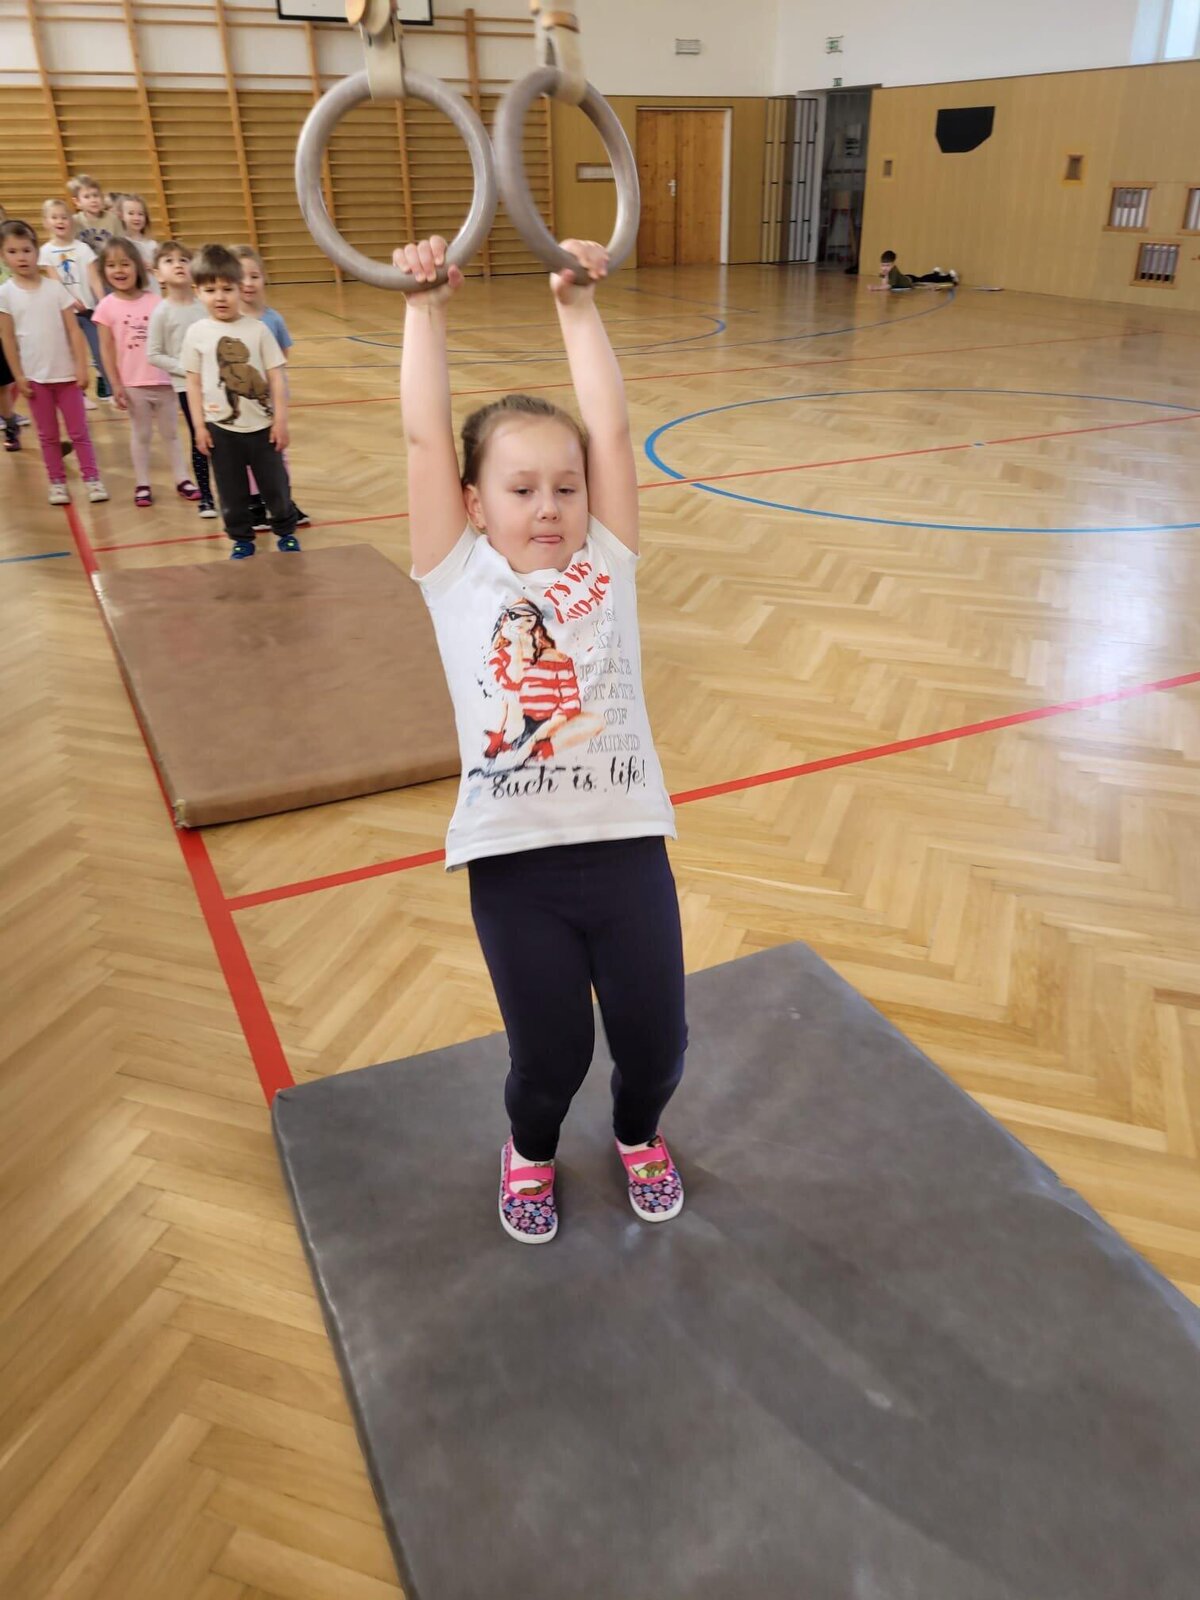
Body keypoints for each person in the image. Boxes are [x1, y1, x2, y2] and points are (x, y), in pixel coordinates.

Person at [398, 233, 687, 1245]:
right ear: (475, 505)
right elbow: (425, 441)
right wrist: (423, 309)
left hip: (627, 850)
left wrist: (577, 304)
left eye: (566, 487)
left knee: (657, 1045)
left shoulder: (608, 560)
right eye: (521, 490)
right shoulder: (457, 578)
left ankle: (638, 1133)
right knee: (551, 1055)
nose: (550, 507)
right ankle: (528, 1150)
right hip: (515, 865)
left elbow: (612, 428)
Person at [180, 242, 298, 558]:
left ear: (238, 287)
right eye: (210, 290)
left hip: (263, 429)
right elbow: (192, 383)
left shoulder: (258, 330)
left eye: (227, 289)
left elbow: (276, 377)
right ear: (197, 292)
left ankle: (286, 531)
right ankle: (242, 539)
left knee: (276, 487)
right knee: (231, 492)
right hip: (221, 430)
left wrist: (281, 421)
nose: (220, 297)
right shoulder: (196, 333)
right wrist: (199, 427)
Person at [0, 218, 107, 502]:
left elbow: (74, 331)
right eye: (12, 251)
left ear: (36, 252)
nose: (21, 257)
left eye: (26, 250)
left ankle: (92, 478)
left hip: (68, 377)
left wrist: (82, 367)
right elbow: (7, 338)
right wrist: (18, 375)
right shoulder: (5, 294)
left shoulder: (55, 288)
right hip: (36, 379)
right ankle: (56, 482)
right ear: (3, 256)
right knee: (47, 436)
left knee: (79, 432)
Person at [92, 237, 200, 508]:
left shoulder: (156, 302)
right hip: (133, 384)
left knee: (171, 433)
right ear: (103, 270)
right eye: (111, 265)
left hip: (164, 381)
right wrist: (115, 384)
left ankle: (182, 478)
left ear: (138, 267)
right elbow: (106, 349)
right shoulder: (106, 306)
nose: (119, 270)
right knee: (141, 434)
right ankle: (142, 483)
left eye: (125, 264)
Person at [234, 244, 309, 529]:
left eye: (254, 276)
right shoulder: (229, 322)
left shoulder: (273, 319)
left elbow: (282, 356)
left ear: (264, 278)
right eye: (240, 277)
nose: (248, 283)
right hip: (242, 402)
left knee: (277, 450)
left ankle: (282, 501)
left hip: (271, 400)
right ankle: (254, 503)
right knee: (247, 454)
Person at [147, 240, 217, 518]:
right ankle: (206, 497)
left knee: (224, 438)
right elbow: (154, 354)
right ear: (158, 274)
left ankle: (235, 494)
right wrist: (187, 369)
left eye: (183, 260)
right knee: (201, 437)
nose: (178, 265)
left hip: (217, 384)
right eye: (169, 261)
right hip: (188, 386)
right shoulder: (161, 312)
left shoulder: (205, 304)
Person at [39, 198, 107, 407]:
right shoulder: (46, 251)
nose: (60, 221)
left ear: (71, 221)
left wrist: (103, 302)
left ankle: (111, 389)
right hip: (65, 312)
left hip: (88, 310)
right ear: (46, 222)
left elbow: (94, 278)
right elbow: (55, 281)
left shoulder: (83, 248)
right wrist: (72, 301)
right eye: (54, 217)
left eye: (64, 217)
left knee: (100, 350)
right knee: (72, 354)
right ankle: (79, 395)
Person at [68, 174, 119, 255]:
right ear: (77, 202)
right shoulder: (73, 221)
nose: (93, 200)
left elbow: (121, 246)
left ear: (102, 197)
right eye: (87, 197)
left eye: (96, 195)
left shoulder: (113, 219)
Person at [116, 195, 160, 287]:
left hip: (151, 288)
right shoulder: (120, 244)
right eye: (131, 213)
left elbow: (159, 271)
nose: (136, 218)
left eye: (140, 214)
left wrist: (152, 267)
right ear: (121, 216)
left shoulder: (152, 244)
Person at [871, 250, 958, 291]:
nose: (885, 268)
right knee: (924, 278)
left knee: (926, 280)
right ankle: (936, 274)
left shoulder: (893, 270)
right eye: (883, 265)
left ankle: (950, 276)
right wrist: (885, 275)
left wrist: (876, 288)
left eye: (888, 265)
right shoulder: (885, 272)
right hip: (906, 277)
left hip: (910, 281)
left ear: (893, 264)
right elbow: (884, 283)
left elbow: (887, 286)